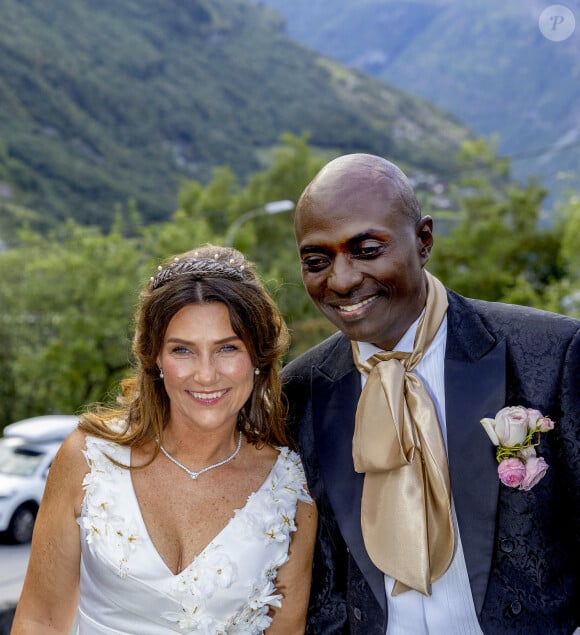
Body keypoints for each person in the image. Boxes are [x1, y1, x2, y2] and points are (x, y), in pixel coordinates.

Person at [281, 153, 580, 634]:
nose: (341, 279)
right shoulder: (299, 392)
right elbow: (323, 573)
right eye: (317, 260)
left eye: (367, 249)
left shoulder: (551, 353)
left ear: (423, 241)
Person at [11, 244, 317, 635]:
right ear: (155, 358)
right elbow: (39, 621)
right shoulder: (88, 456)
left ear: (257, 357)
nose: (206, 375)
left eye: (227, 348)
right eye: (183, 350)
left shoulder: (290, 491)